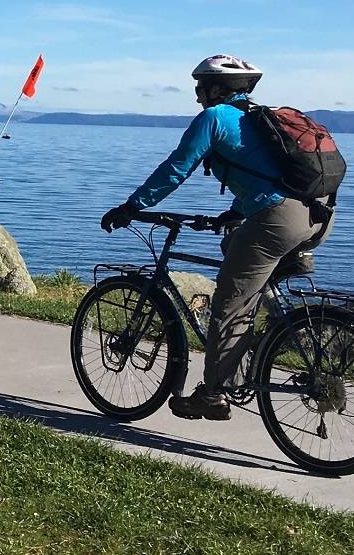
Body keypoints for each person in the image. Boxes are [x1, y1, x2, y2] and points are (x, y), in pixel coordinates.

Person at [99, 55, 333, 421]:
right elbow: (265, 176)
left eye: (199, 88)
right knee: (237, 252)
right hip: (318, 215)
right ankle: (268, 339)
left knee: (228, 305)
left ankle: (213, 395)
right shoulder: (255, 117)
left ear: (216, 89)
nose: (196, 96)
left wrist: (132, 206)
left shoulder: (213, 118)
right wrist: (237, 212)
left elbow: (176, 168)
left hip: (277, 220)